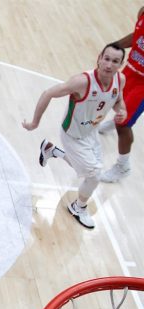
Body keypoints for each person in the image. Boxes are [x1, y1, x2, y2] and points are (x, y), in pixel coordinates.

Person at [22, 43, 127, 229]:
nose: (109, 65)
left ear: (120, 64)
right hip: (73, 134)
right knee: (94, 175)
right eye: (107, 59)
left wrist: (122, 110)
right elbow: (48, 93)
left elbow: (118, 100)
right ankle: (78, 207)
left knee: (89, 170)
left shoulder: (120, 80)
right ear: (99, 59)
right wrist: (34, 122)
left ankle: (51, 150)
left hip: (91, 131)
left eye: (115, 61)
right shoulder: (82, 82)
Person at [98, 6, 144, 183]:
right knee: (113, 100)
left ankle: (123, 166)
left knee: (123, 126)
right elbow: (137, 36)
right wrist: (113, 46)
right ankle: (114, 120)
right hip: (130, 71)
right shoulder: (142, 12)